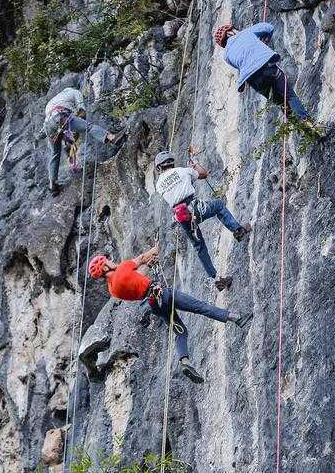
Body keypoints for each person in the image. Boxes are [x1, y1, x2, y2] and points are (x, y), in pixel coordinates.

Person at [88, 246, 252, 384]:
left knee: (180, 332)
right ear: (104, 268)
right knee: (200, 307)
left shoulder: (113, 290)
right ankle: (237, 318)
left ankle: (184, 360)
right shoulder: (122, 268)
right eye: (107, 261)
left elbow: (136, 278)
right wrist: (156, 249)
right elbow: (143, 258)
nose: (111, 260)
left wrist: (150, 265)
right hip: (164, 294)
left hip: (153, 303)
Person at [154, 151, 251, 290]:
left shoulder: (159, 185)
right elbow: (204, 174)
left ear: (159, 167)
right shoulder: (183, 171)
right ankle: (238, 230)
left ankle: (217, 279)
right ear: (172, 162)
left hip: (181, 216)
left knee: (199, 246)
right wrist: (195, 165)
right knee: (217, 205)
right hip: (194, 208)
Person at [214, 22, 326, 136]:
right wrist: (265, 39)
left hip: (254, 81)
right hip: (267, 69)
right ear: (230, 32)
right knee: (290, 96)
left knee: (282, 104)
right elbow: (269, 27)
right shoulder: (245, 33)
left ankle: (305, 131)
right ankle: (309, 123)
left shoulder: (227, 56)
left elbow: (241, 64)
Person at [38, 86, 125, 196]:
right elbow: (82, 112)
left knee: (55, 153)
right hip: (60, 117)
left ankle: (52, 185)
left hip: (48, 127)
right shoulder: (75, 92)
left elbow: (53, 124)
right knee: (89, 127)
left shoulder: (54, 100)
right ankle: (113, 138)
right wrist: (79, 127)